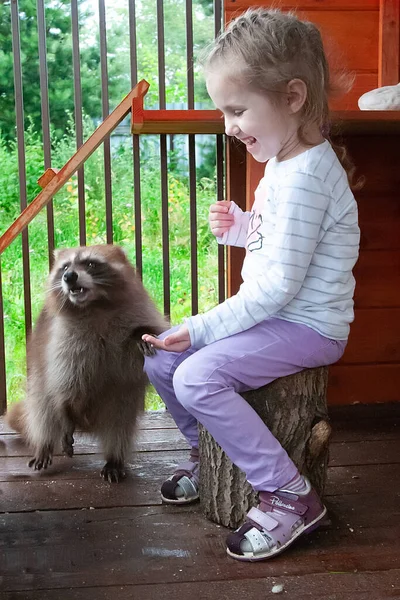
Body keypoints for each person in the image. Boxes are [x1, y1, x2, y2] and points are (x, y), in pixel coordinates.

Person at [142, 7, 360, 561]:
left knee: (193, 374)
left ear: (292, 97)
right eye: (223, 112)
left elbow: (277, 287)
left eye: (237, 110)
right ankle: (207, 455)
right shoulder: (285, 164)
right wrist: (244, 228)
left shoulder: (308, 175)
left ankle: (291, 496)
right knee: (161, 364)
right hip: (279, 315)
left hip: (308, 326)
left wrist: (197, 328)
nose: (229, 126)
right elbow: (286, 248)